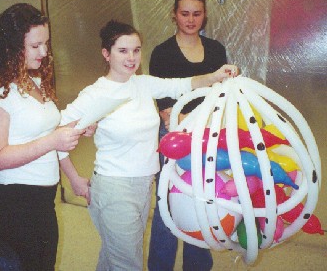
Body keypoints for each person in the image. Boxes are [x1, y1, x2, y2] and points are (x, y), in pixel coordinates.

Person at [58, 19, 237, 271]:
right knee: (126, 264)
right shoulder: (95, 93)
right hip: (114, 187)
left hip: (143, 185)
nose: (132, 58)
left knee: (112, 259)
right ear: (106, 54)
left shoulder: (141, 83)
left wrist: (216, 76)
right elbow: (56, 135)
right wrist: (73, 178)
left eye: (136, 50)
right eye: (123, 51)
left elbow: (182, 84)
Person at [0, 3, 89, 271]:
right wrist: (53, 140)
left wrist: (73, 132)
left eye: (46, 44)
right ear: (12, 46)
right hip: (12, 208)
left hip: (42, 204)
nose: (44, 52)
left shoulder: (33, 81)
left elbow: (46, 133)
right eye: (35, 46)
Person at [148, 0, 229, 271]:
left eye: (196, 13)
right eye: (185, 14)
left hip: (208, 134)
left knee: (203, 200)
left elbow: (223, 93)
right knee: (167, 203)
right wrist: (178, 118)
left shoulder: (217, 50)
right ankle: (160, 266)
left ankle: (197, 266)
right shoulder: (162, 52)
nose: (191, 19)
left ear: (204, 16)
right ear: (174, 14)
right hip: (174, 137)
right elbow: (162, 103)